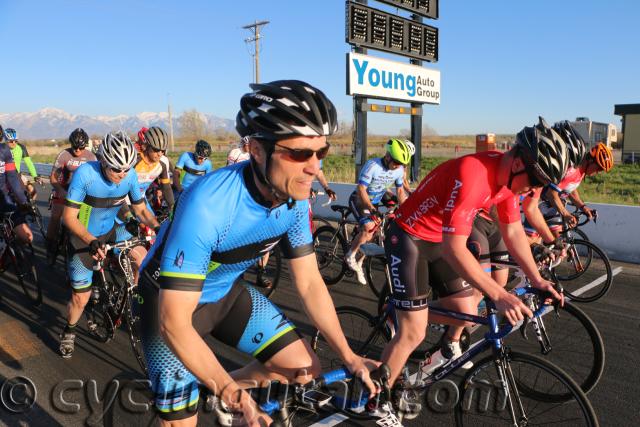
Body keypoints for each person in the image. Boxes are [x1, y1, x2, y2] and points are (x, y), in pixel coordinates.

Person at [137, 80, 379, 426]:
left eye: (320, 153)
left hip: (224, 295)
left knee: (303, 370)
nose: (314, 167)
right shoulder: (208, 206)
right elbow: (174, 323)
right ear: (257, 150)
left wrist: (349, 356)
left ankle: (216, 385)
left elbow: (310, 283)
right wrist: (236, 398)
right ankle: (214, 389)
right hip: (168, 305)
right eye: (298, 153)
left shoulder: (294, 201)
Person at [379, 117, 566, 385]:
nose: (536, 189)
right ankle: (379, 400)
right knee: (413, 332)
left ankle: (403, 309)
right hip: (409, 237)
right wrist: (499, 294)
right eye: (536, 180)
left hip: (437, 238)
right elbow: (454, 248)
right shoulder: (474, 173)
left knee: (466, 310)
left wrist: (537, 280)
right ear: (517, 163)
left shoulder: (508, 183)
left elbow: (512, 231)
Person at [59, 131, 159, 359]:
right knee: (80, 298)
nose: (121, 174)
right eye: (116, 169)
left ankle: (133, 298)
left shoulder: (130, 176)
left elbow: (141, 209)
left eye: (126, 168)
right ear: (103, 161)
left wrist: (158, 227)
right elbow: (69, 218)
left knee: (142, 258)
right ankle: (69, 330)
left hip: (112, 229)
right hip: (83, 234)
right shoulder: (85, 174)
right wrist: (91, 241)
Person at [524, 122, 614, 241]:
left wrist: (583, 207)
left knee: (559, 244)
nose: (597, 172)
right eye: (598, 168)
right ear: (590, 161)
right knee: (533, 244)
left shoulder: (580, 172)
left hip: (551, 208)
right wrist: (566, 214)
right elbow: (552, 193)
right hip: (539, 206)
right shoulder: (572, 170)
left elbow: (570, 190)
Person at [345, 138, 410, 284]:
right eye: (397, 162)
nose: (398, 166)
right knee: (369, 227)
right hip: (360, 199)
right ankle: (350, 255)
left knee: (374, 233)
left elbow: (400, 191)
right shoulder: (373, 165)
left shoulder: (398, 170)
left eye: (401, 164)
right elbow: (361, 189)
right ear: (388, 157)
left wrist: (406, 209)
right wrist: (372, 209)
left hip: (375, 200)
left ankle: (360, 262)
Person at [47, 128, 97, 260]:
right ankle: (50, 244)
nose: (77, 151)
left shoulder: (91, 157)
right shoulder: (64, 155)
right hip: (63, 189)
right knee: (56, 216)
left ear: (85, 146)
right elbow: (53, 178)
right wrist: (60, 190)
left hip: (82, 193)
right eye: (75, 147)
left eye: (81, 148)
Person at [0, 125, 33, 245]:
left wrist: (23, 201)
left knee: (28, 237)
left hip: (3, 197)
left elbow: (13, 178)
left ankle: (11, 248)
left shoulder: (4, 150)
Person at [3, 128, 43, 199]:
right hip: (4, 176)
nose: (14, 143)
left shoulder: (21, 147)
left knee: (32, 190)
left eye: (16, 141)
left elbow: (29, 163)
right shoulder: (2, 149)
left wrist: (35, 176)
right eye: (11, 141)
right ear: (6, 140)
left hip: (17, 174)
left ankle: (31, 207)